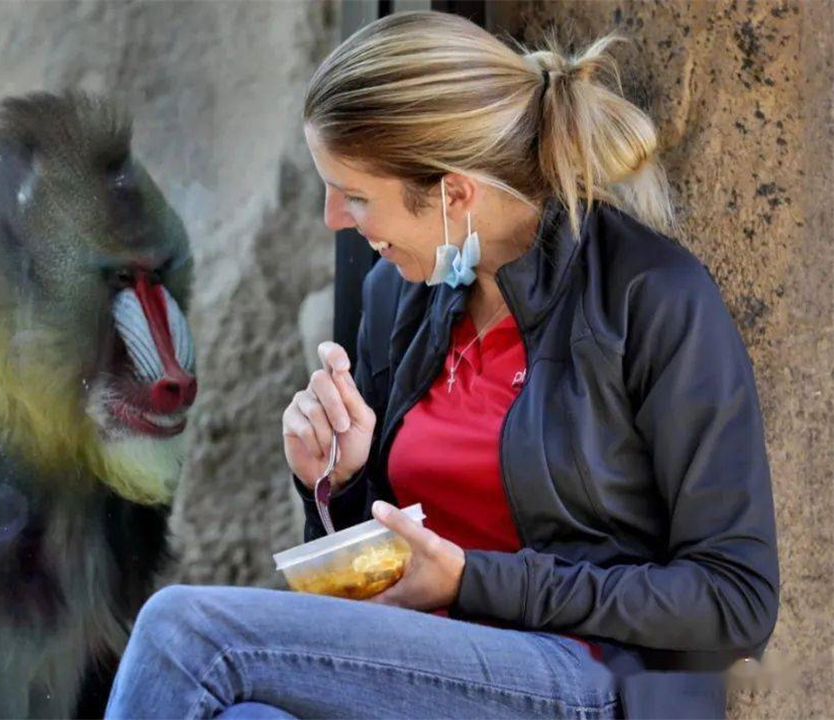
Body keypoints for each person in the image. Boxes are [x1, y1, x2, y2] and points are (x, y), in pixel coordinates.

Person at [104, 11, 779, 720]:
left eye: (355, 195)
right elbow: (383, 581)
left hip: (586, 678)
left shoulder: (650, 297)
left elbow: (736, 600)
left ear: (456, 193)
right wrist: (338, 482)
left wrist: (472, 580)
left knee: (186, 633)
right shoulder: (398, 295)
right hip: (421, 670)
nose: (335, 218)